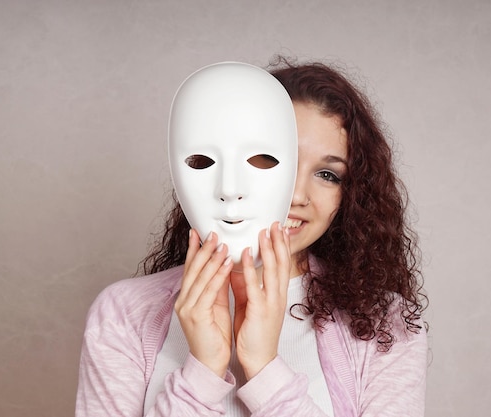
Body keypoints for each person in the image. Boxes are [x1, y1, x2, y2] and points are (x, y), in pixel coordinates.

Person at [76, 58, 428, 417]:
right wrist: (202, 372)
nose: (297, 196)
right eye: (274, 160)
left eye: (327, 174)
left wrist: (264, 369)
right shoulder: (125, 313)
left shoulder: (385, 323)